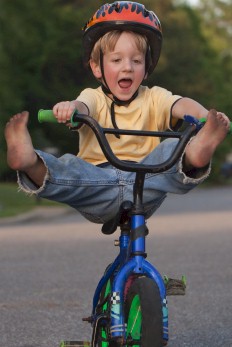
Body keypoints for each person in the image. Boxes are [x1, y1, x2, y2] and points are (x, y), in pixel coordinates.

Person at [4, 1, 230, 224]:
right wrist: (70, 109)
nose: (127, 67)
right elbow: (82, 106)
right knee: (70, 170)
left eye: (137, 60)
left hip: (147, 181)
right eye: (116, 59)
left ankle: (197, 150)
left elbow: (181, 104)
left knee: (172, 149)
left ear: (147, 66)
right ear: (96, 67)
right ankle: (30, 162)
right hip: (97, 185)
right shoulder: (93, 97)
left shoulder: (155, 97)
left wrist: (205, 116)